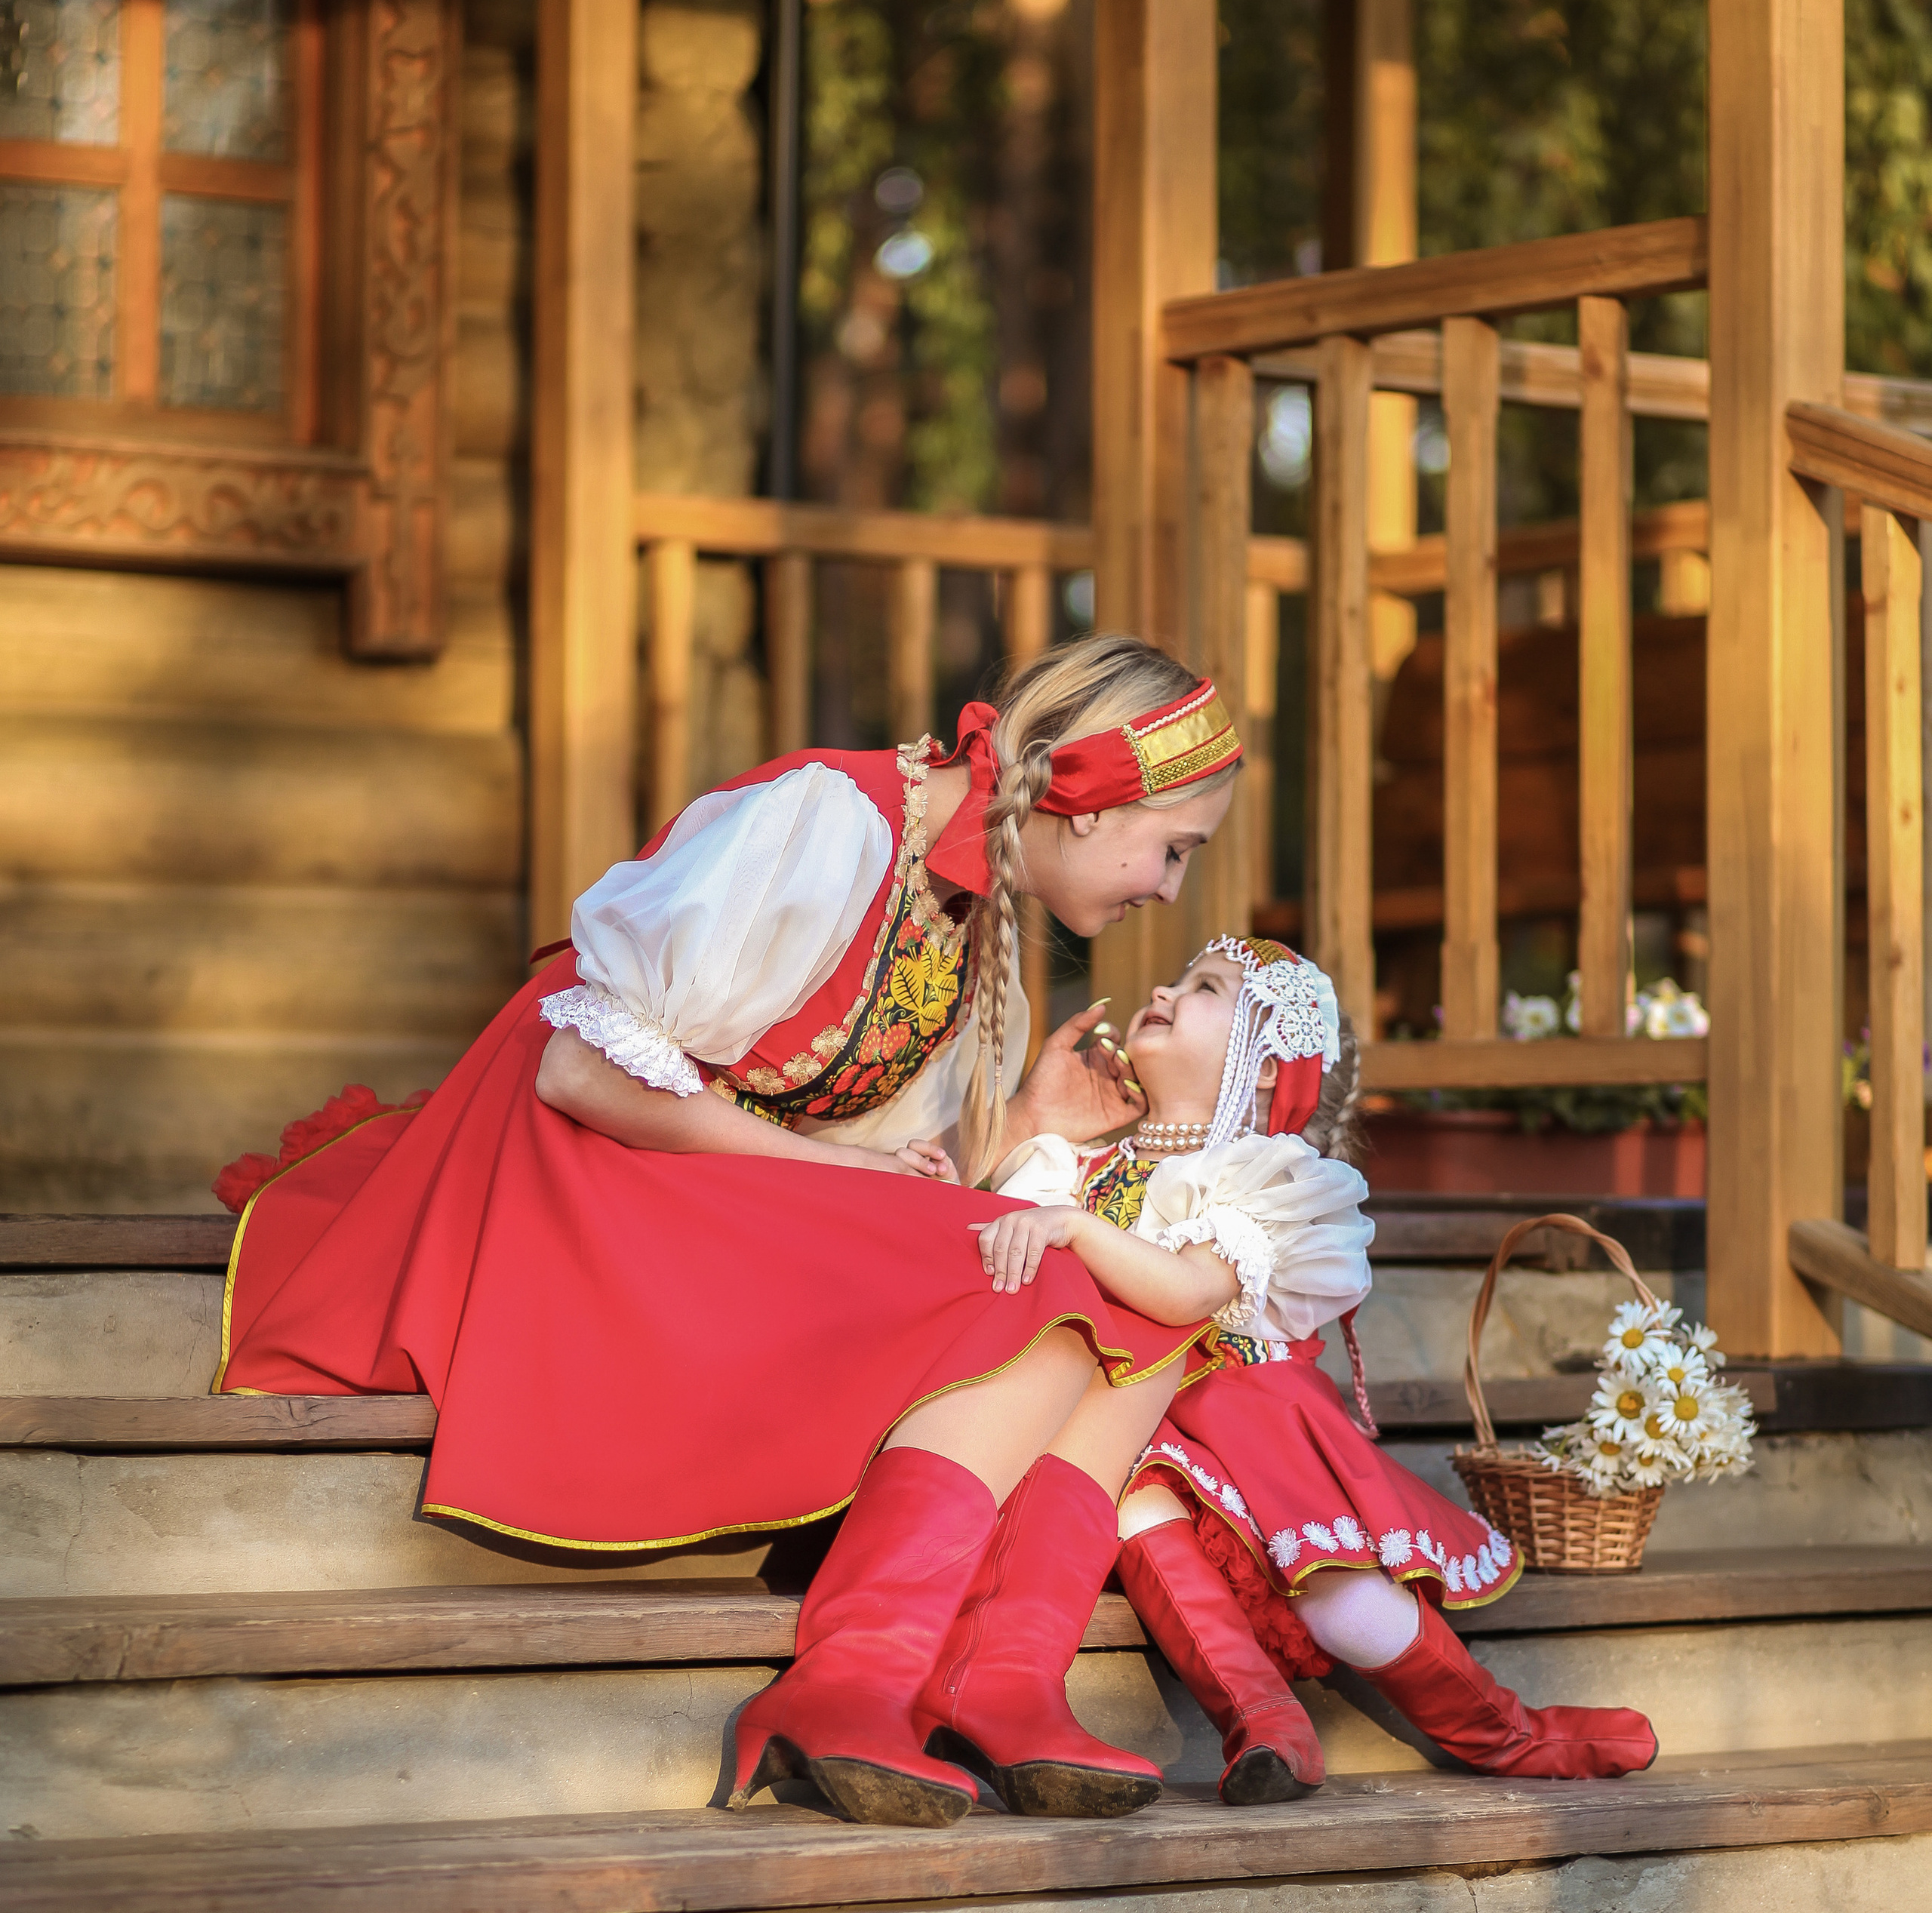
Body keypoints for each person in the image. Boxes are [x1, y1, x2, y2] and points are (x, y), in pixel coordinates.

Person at [214, 637, 1243, 1828]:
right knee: (1036, 1262)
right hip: (579, 1169)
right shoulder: (830, 824)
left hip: (697, 1177)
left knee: (1090, 1277)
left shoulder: (966, 915)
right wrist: (842, 1169)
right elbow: (579, 1072)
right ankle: (864, 1672)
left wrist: (1015, 1124)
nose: (1171, 885)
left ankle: (970, 1669)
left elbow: (869, 1154)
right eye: (1174, 846)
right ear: (1084, 793)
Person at [983, 937, 1660, 1801]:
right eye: (1182, 978)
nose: (1162, 988)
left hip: (1237, 1411)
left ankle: (1501, 1733)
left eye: (1205, 989)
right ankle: (1265, 1725)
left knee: (1343, 1603)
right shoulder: (1076, 1163)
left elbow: (1190, 1292)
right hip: (1117, 1418)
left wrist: (1075, 1229)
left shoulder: (1257, 1176)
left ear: (1266, 1069)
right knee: (1129, 1503)